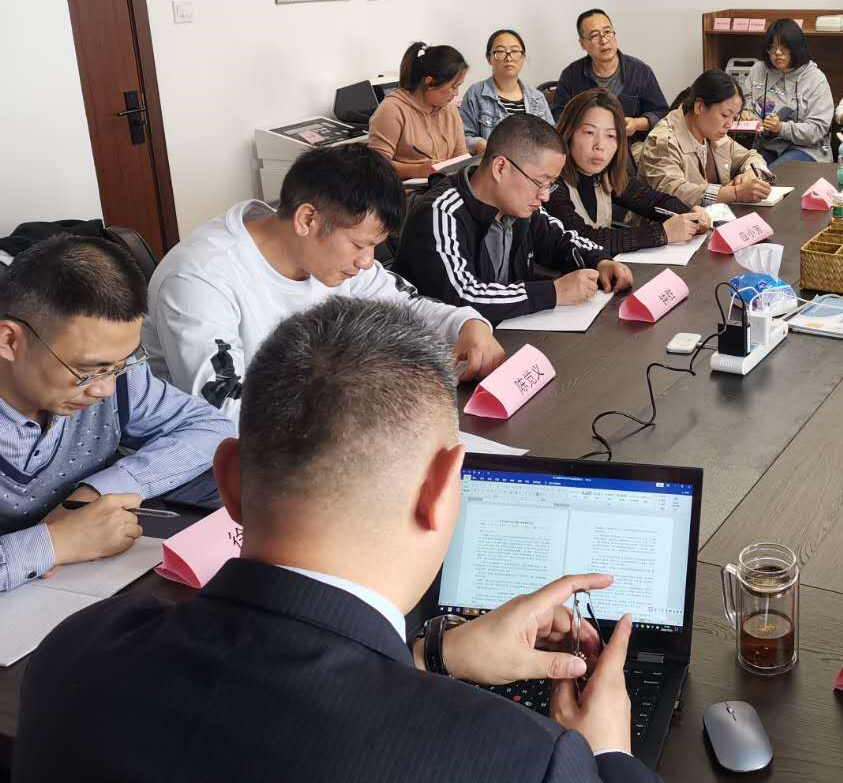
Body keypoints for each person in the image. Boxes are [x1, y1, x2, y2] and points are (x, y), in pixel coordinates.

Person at [15, 298, 661, 783]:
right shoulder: (527, 760)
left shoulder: (74, 653)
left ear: (230, 482)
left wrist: (432, 656)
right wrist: (607, 754)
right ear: (441, 491)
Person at [143, 144, 505, 425]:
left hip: (313, 433)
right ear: (307, 219)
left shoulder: (330, 258)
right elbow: (225, 412)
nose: (367, 262)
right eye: (360, 245)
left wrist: (466, 325)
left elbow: (407, 306)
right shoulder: (201, 278)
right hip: (222, 462)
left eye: (374, 247)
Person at [0, 236, 229, 593]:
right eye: (87, 370)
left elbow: (211, 428)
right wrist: (55, 542)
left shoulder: (116, 374)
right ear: (9, 341)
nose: (105, 390)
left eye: (121, 364)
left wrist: (96, 492)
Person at [394, 113, 634, 324]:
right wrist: (553, 292)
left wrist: (600, 261)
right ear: (500, 168)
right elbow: (462, 296)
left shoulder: (520, 206)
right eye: (540, 182)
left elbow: (560, 240)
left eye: (550, 184)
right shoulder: (440, 212)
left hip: (510, 334)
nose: (545, 196)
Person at [545, 89, 710, 254]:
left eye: (611, 135)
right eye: (589, 132)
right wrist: (662, 233)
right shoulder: (549, 181)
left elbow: (652, 201)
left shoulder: (606, 174)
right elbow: (581, 237)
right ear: (568, 132)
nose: (600, 145)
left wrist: (690, 214)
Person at [636, 70, 774, 207]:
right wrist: (735, 193)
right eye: (725, 115)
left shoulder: (712, 134)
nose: (729, 124)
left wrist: (751, 173)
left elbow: (751, 156)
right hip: (668, 220)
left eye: (734, 117)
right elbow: (674, 193)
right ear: (700, 107)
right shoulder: (664, 141)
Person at [554, 9, 668, 139]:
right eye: (594, 36)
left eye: (607, 32)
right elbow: (558, 115)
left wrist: (636, 124)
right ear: (583, 44)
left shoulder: (640, 71)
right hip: (587, 144)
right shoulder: (571, 75)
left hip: (630, 144)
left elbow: (662, 113)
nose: (604, 40)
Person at [368, 41, 473, 178]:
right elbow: (376, 167)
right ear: (430, 82)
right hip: (407, 188)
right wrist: (416, 170)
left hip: (444, 185)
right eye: (453, 87)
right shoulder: (392, 110)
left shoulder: (450, 111)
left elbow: (461, 158)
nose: (456, 93)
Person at [740, 18, 835, 165]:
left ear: (796, 47)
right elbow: (743, 99)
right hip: (765, 146)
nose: (777, 53)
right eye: (772, 47)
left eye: (784, 47)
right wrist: (745, 112)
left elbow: (817, 129)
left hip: (806, 149)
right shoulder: (758, 70)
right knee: (749, 170)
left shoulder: (816, 79)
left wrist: (781, 128)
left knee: (774, 173)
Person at [460, 29, 555, 155]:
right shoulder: (475, 94)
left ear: (523, 57)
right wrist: (478, 144)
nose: (508, 57)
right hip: (494, 163)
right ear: (489, 58)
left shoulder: (537, 97)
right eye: (500, 51)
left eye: (515, 51)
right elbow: (462, 138)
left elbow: (552, 138)